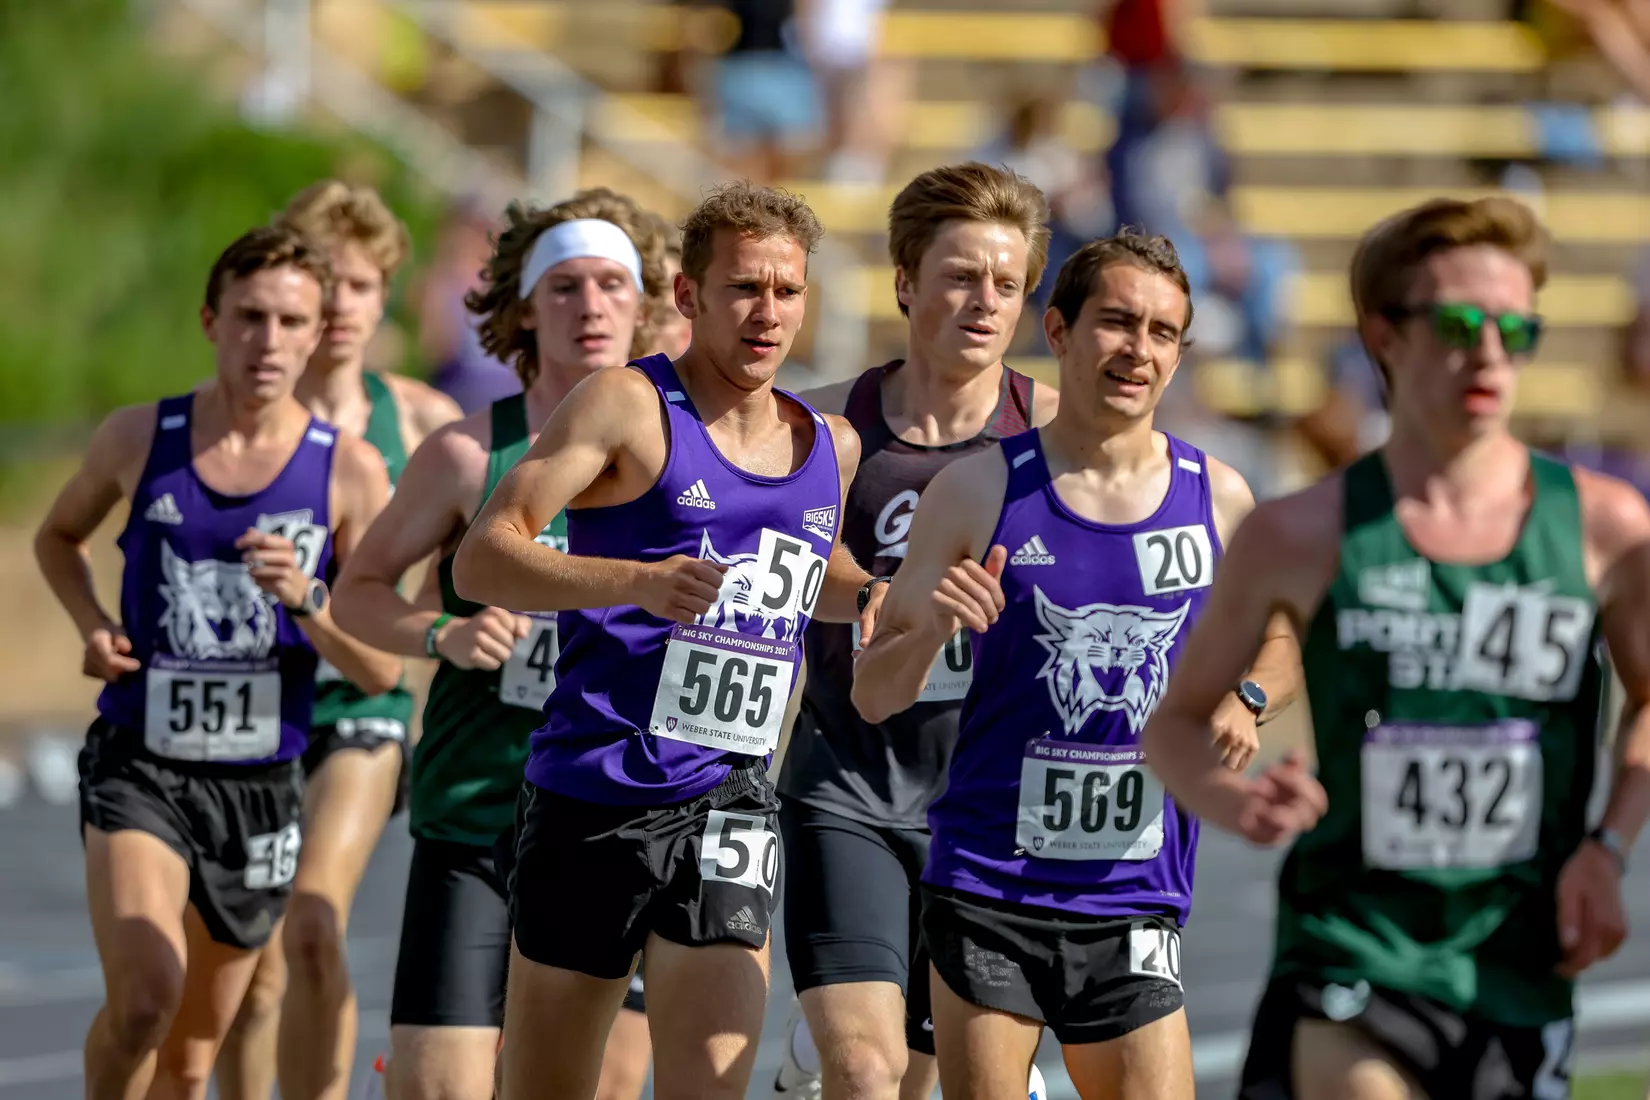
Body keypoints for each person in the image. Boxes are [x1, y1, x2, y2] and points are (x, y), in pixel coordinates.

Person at [1143, 196, 1650, 1100]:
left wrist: (1607, 849)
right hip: (1352, 939)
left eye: (1516, 329)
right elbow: (1174, 725)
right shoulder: (1302, 534)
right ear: (1386, 334)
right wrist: (1237, 798)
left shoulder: (1604, 529)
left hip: (1518, 958)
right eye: (1459, 322)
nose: (1489, 351)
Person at [450, 181, 884, 1100]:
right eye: (743, 290)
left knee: (709, 1086)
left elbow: (815, 574)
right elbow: (484, 561)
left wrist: (880, 596)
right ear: (687, 296)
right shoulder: (625, 406)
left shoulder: (828, 444)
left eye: (787, 292)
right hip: (593, 794)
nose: (767, 315)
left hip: (731, 797)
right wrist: (640, 585)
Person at [851, 230, 1301, 1100]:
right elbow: (874, 694)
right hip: (989, 882)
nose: (1139, 350)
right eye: (1118, 323)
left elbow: (1284, 645)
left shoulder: (1219, 499)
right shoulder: (981, 492)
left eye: (1163, 332)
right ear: (1057, 331)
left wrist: (1247, 699)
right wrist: (932, 626)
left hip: (1135, 892)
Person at [33, 225, 402, 1100]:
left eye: (289, 322)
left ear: (317, 336)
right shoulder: (140, 437)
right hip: (142, 765)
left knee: (194, 1055)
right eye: (249, 317)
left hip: (259, 784)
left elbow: (383, 672)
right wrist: (92, 623)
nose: (267, 342)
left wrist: (310, 601)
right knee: (143, 1004)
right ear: (210, 319)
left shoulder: (348, 472)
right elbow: (57, 537)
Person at [331, 187, 671, 1100]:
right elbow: (357, 595)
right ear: (524, 308)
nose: (590, 307)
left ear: (644, 305)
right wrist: (443, 631)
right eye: (564, 287)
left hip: (621, 814)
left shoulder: (681, 462)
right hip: (482, 809)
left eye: (611, 285)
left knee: (595, 1085)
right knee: (441, 1088)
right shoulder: (468, 455)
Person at [770, 161, 1059, 1100]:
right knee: (866, 1069)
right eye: (961, 276)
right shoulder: (825, 427)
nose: (985, 302)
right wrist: (890, 594)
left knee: (931, 1082)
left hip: (988, 808)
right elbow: (788, 565)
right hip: (847, 779)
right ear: (904, 281)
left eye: (1007, 285)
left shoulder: (1053, 432)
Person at [213, 179, 462, 1100]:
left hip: (368, 702)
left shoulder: (425, 420)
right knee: (253, 959)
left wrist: (432, 620)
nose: (349, 307)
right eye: (333, 285)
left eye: (367, 285)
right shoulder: (241, 417)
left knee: (312, 922)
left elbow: (459, 572)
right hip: (251, 699)